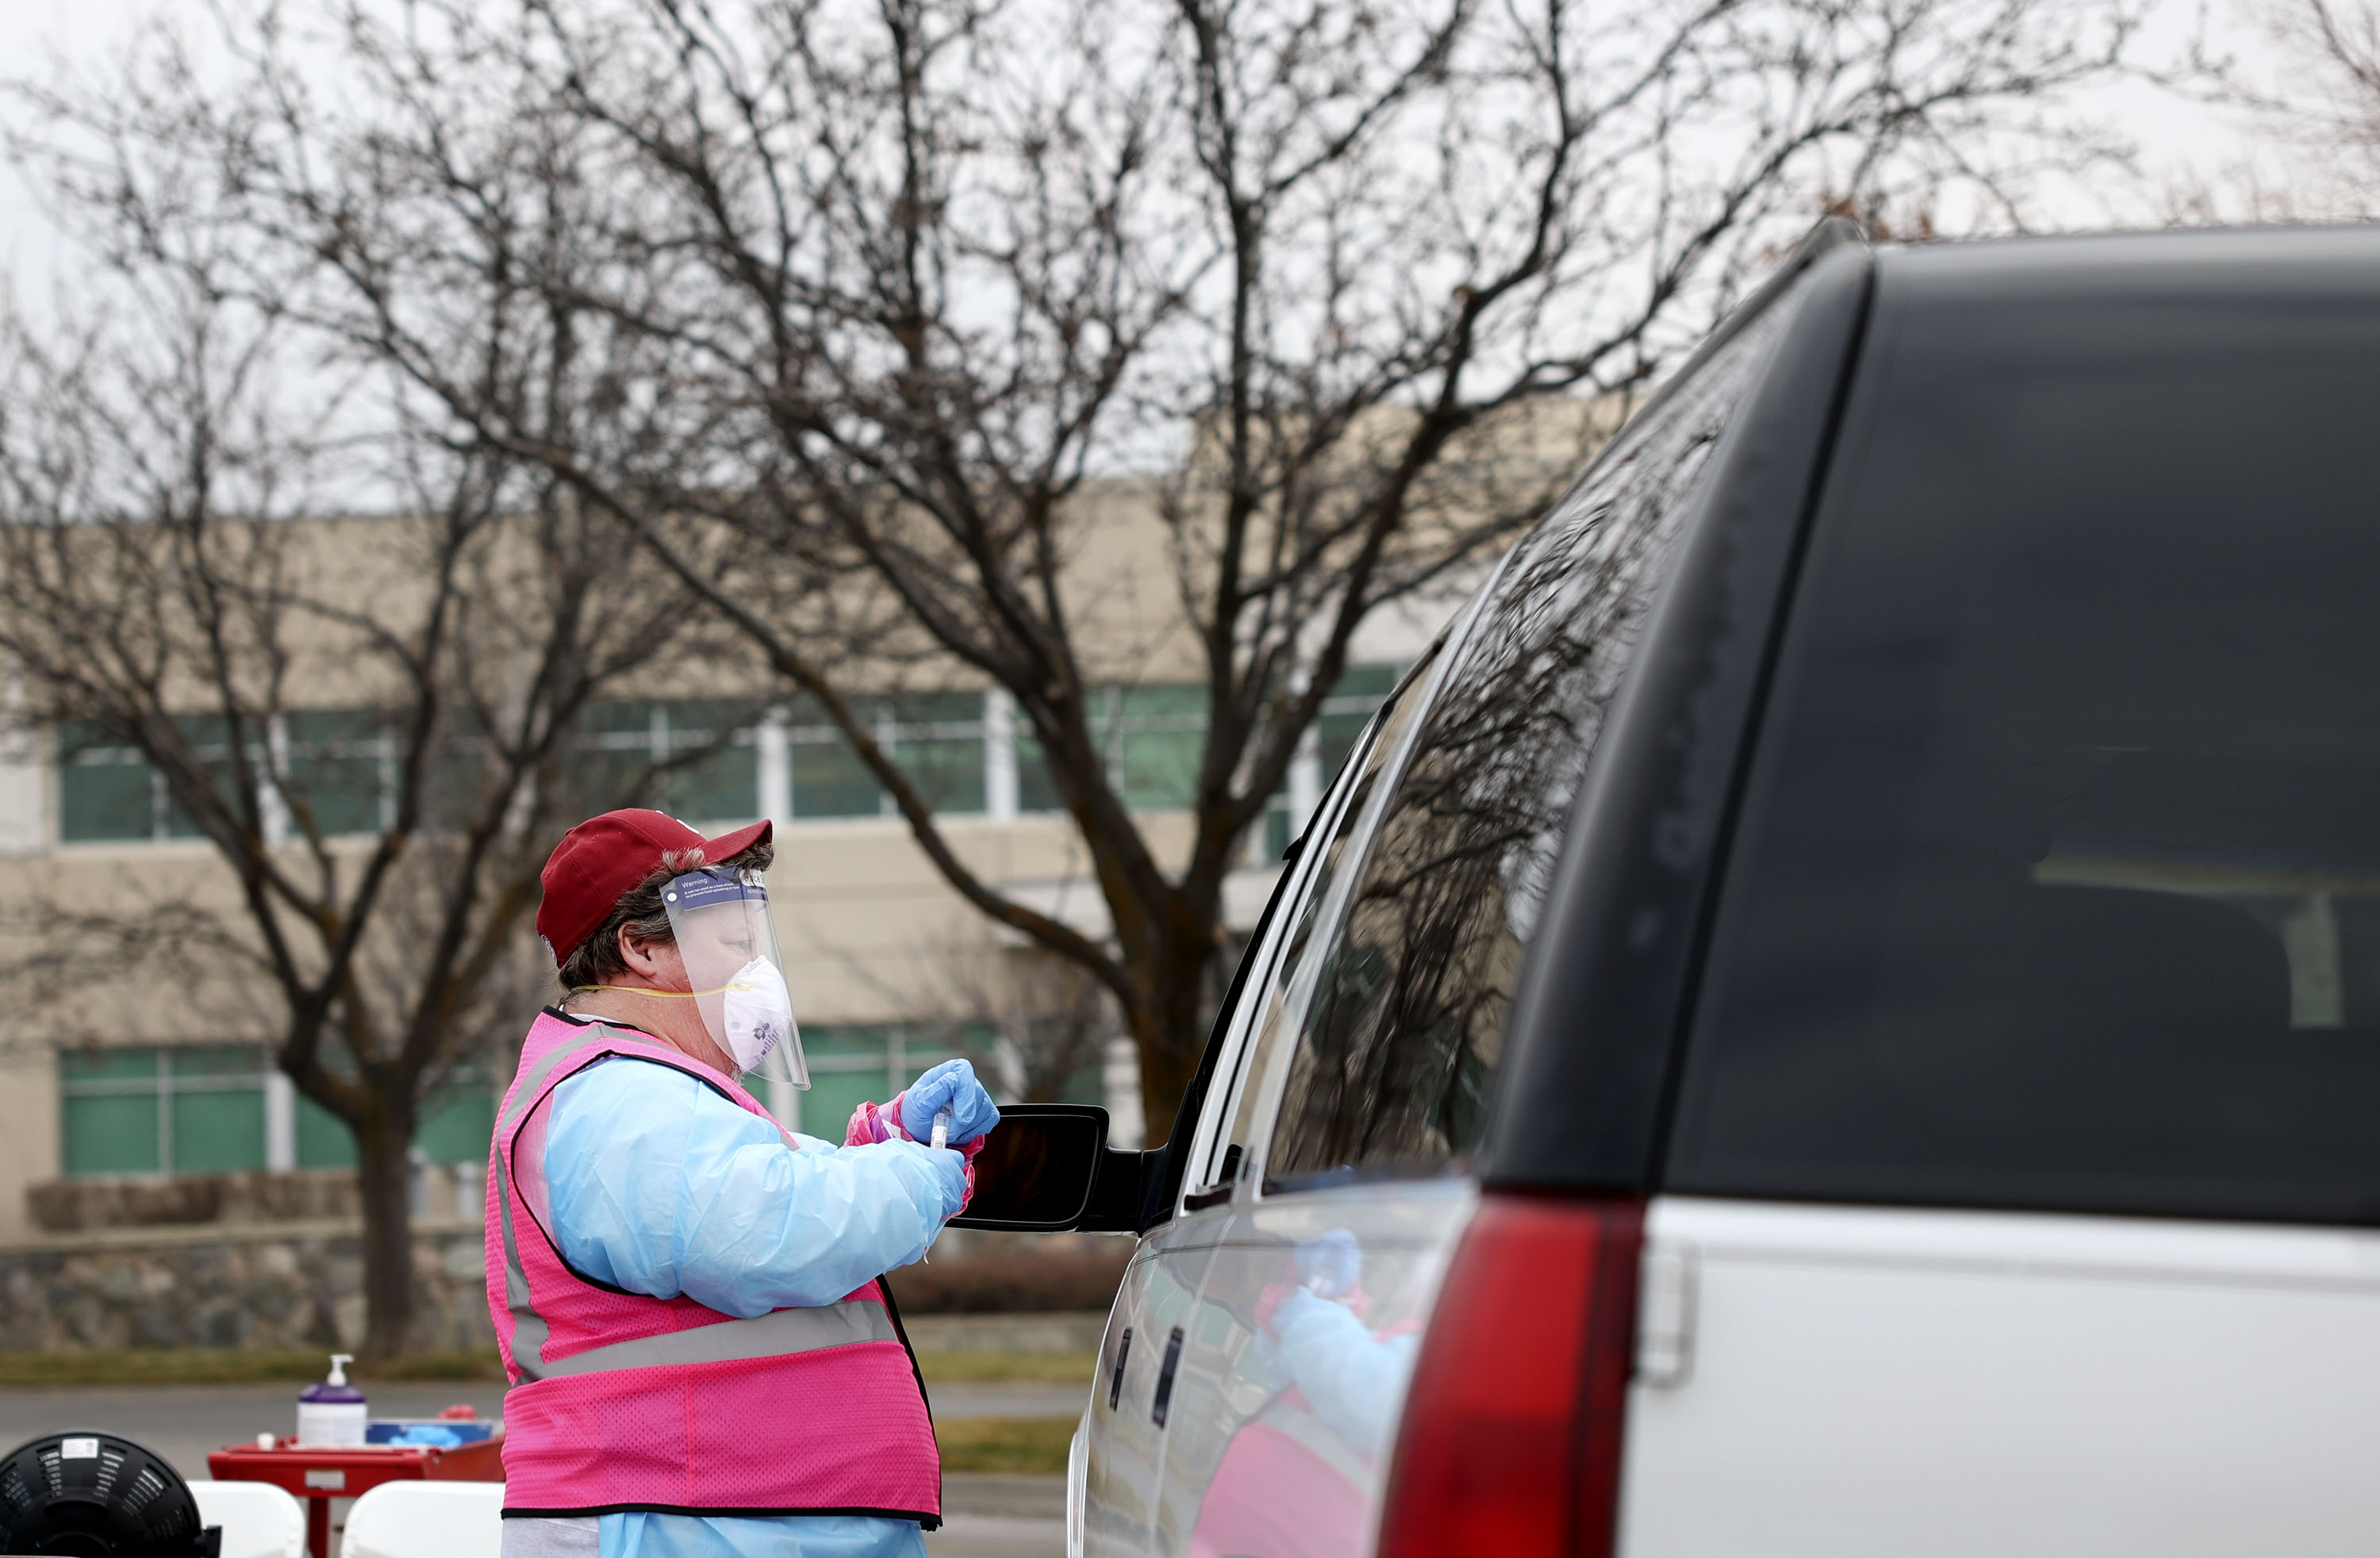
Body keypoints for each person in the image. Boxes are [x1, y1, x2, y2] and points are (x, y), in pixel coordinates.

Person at [486, 808, 1001, 1558]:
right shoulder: (615, 1098)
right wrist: (925, 1176)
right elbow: (767, 1231)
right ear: (639, 948)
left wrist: (890, 1139)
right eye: (733, 942)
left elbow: (767, 1182)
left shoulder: (650, 1091)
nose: (753, 968)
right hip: (674, 1514)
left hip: (716, 1511)